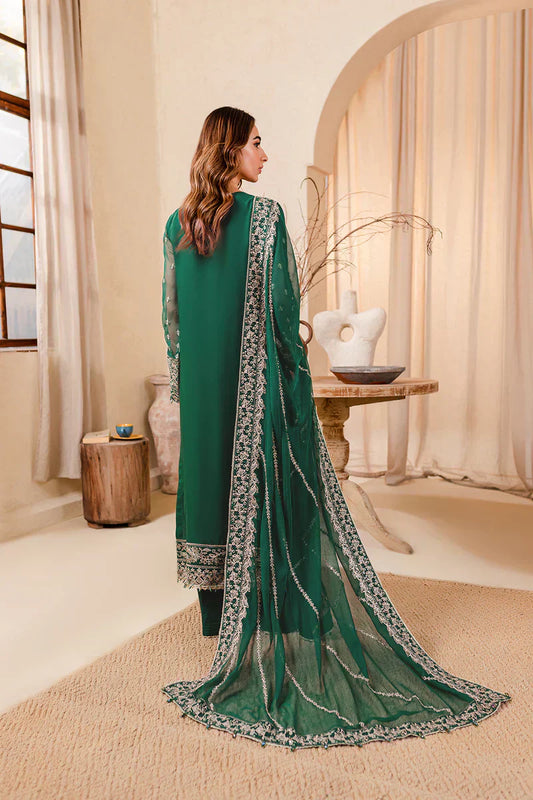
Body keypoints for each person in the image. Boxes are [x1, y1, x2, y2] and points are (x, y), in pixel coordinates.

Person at [160, 106, 511, 750]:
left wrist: (187, 379)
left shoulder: (177, 224)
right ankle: (282, 615)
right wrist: (293, 372)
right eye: (257, 143)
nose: (265, 154)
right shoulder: (266, 218)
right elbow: (283, 309)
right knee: (277, 488)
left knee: (212, 488)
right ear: (231, 148)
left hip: (203, 387)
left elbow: (173, 316)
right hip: (255, 387)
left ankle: (218, 623)